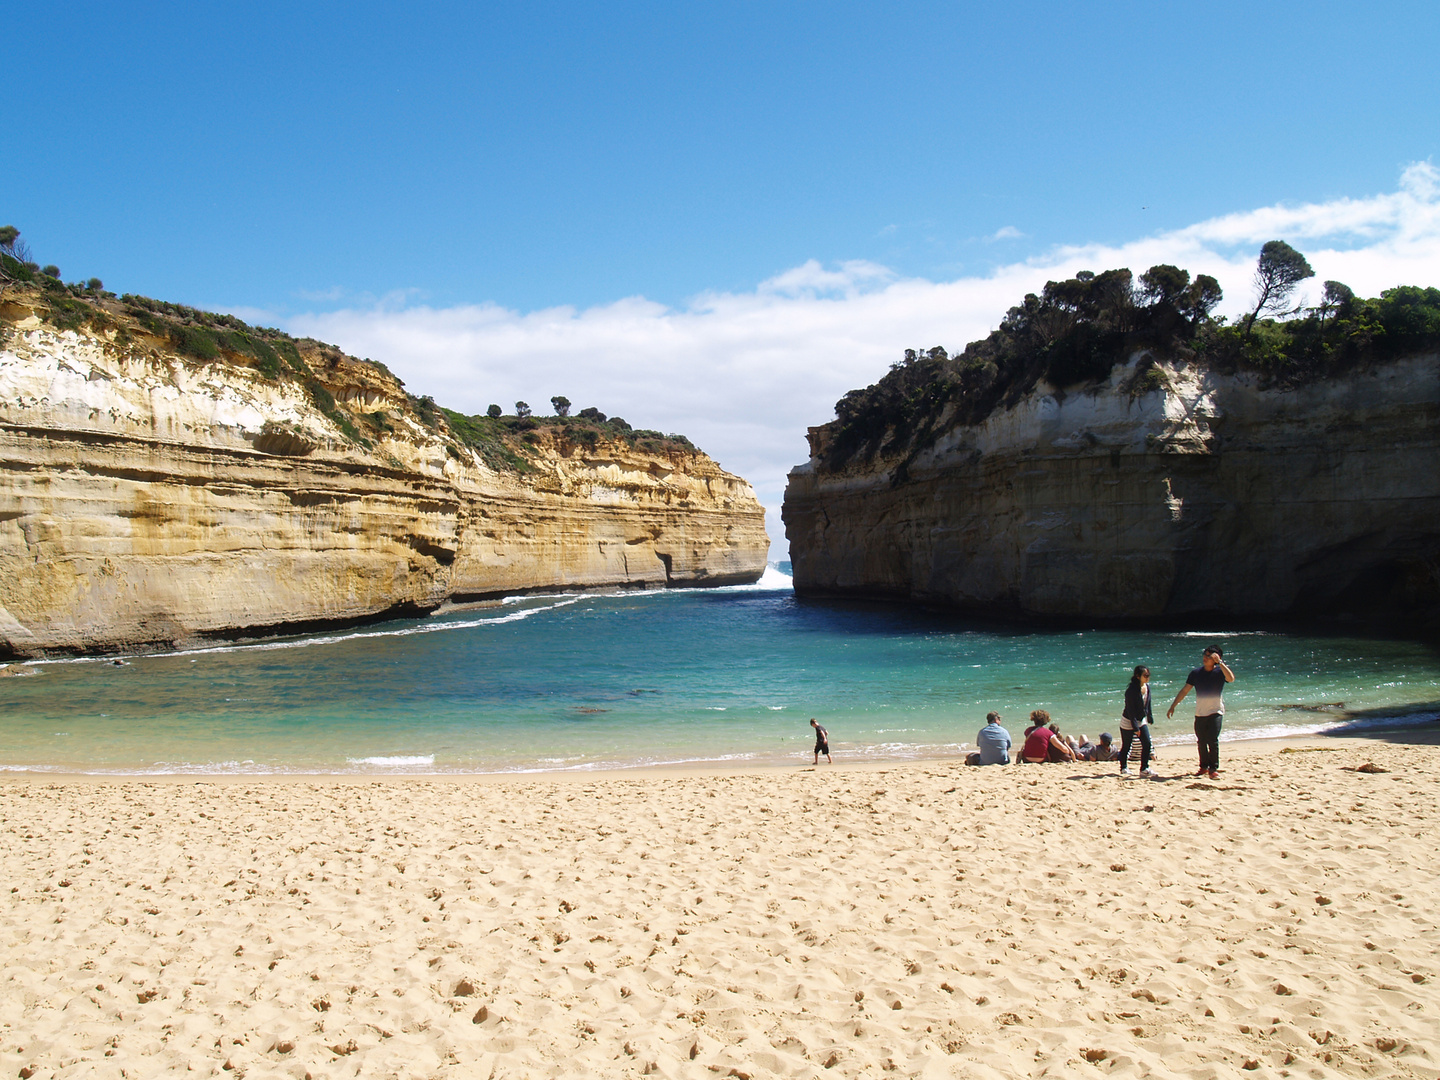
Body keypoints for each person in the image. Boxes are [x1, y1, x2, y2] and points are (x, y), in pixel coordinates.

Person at [1167, 646, 1234, 779]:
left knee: (1212, 740)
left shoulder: (1220, 672)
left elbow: (1231, 678)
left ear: (1216, 658)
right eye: (1205, 654)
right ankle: (1203, 767)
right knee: (1201, 741)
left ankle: (1213, 769)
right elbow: (1185, 690)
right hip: (1200, 713)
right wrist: (1173, 705)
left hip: (1216, 711)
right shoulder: (1196, 673)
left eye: (1209, 656)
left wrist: (1220, 663)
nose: (1205, 657)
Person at [1119, 665, 1157, 779]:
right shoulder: (1131, 691)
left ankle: (1144, 768)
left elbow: (1147, 703)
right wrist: (1136, 728)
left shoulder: (1147, 687)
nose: (1147, 677)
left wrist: (1149, 716)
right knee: (1126, 745)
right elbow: (1131, 711)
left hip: (1141, 720)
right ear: (1137, 676)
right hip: (1128, 721)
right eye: (1145, 676)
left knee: (1147, 743)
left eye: (1148, 675)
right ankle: (1123, 767)